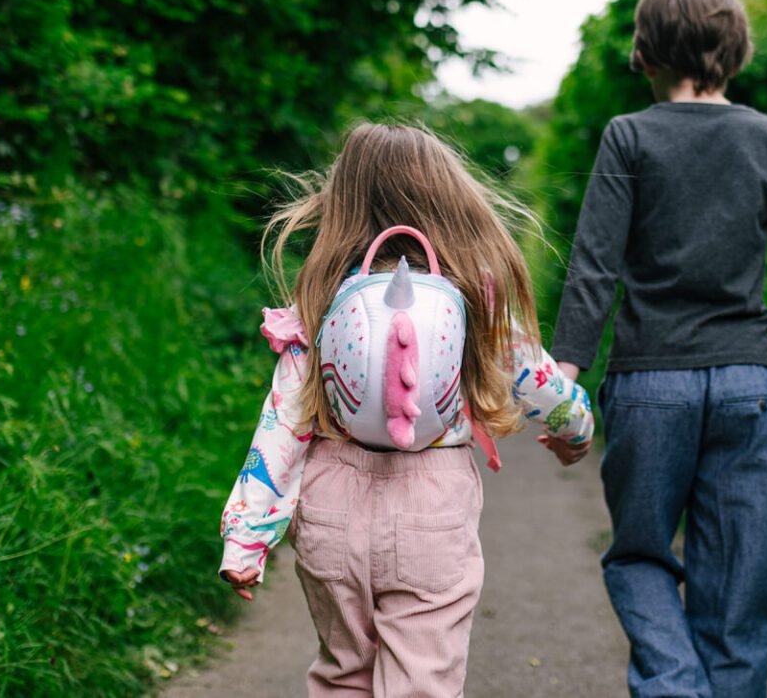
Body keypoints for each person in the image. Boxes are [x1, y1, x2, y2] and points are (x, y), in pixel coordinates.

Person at [219, 122, 595, 697]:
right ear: (446, 197)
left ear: (341, 201)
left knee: (343, 673)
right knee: (422, 680)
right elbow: (536, 378)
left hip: (330, 505)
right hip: (432, 507)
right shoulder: (475, 292)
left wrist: (246, 536)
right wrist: (577, 426)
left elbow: (283, 421)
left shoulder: (321, 292)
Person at [551, 0, 767, 698]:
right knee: (737, 597)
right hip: (751, 385)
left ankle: (672, 686)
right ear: (736, 53)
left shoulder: (629, 137)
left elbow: (593, 267)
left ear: (642, 55)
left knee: (641, 559)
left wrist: (563, 383)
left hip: (650, 386)